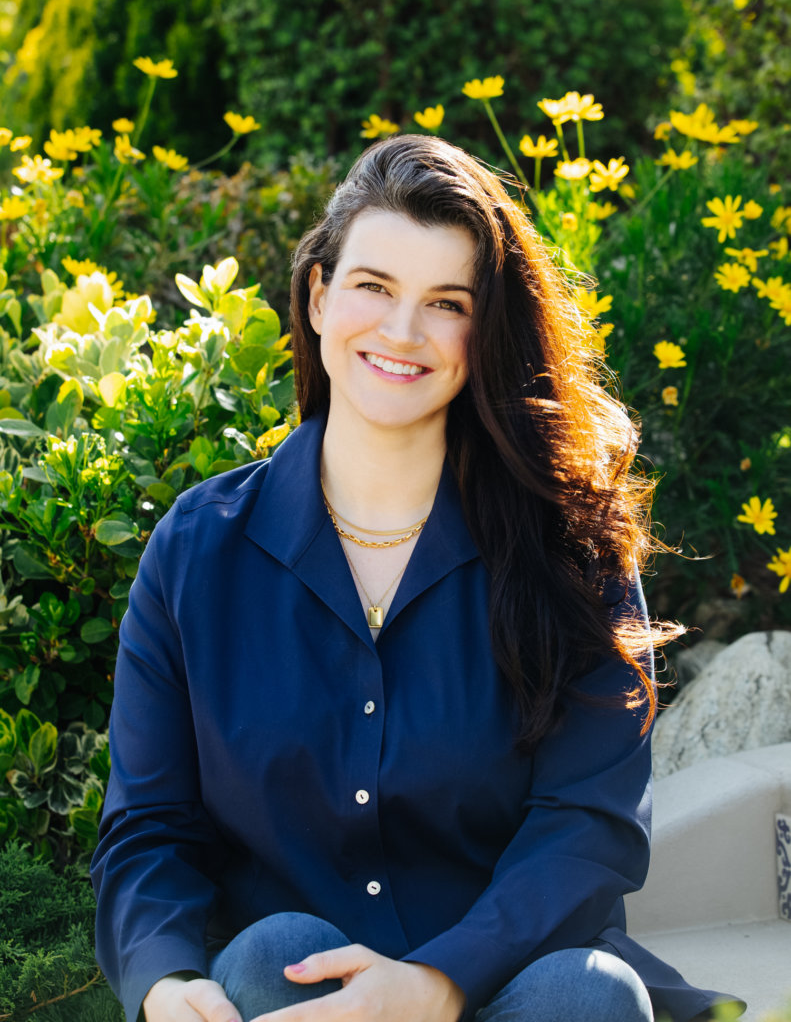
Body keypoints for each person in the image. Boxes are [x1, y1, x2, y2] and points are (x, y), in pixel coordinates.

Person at [91, 133, 744, 1022]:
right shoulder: (197, 552)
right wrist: (164, 981)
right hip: (301, 995)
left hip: (517, 979)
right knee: (274, 955)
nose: (401, 332)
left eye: (446, 302)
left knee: (585, 993)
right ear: (319, 297)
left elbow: (586, 824)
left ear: (485, 331)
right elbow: (149, 826)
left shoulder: (572, 547)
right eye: (373, 287)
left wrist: (437, 983)